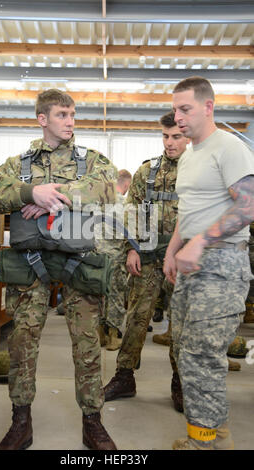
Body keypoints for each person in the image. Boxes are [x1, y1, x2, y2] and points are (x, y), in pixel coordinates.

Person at [0, 88, 119, 450]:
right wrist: (31, 193)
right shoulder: (19, 163)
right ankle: (21, 421)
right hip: (32, 264)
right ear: (42, 119)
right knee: (22, 344)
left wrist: (53, 196)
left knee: (88, 344)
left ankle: (92, 421)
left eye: (73, 114)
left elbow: (109, 189)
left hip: (79, 261)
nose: (71, 121)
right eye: (62, 114)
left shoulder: (90, 159)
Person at [163, 76, 254, 450]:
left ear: (208, 107)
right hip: (193, 266)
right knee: (185, 349)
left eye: (185, 109)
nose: (178, 118)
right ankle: (217, 433)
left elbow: (248, 206)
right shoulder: (189, 154)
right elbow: (190, 210)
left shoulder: (228, 147)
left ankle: (203, 442)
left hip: (222, 265)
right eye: (175, 110)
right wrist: (173, 249)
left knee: (202, 355)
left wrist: (200, 242)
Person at [104, 111, 189, 411]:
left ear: (188, 135)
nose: (169, 143)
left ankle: (180, 382)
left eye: (176, 136)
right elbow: (132, 212)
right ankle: (124, 375)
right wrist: (131, 248)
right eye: (165, 136)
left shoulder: (199, 171)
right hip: (149, 258)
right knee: (137, 319)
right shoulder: (146, 172)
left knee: (180, 324)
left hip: (183, 261)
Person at [97, 169, 132, 350]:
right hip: (116, 256)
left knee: (100, 294)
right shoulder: (125, 205)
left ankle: (100, 333)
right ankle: (114, 335)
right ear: (126, 184)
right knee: (116, 295)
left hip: (97, 256)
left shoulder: (100, 202)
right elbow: (128, 234)